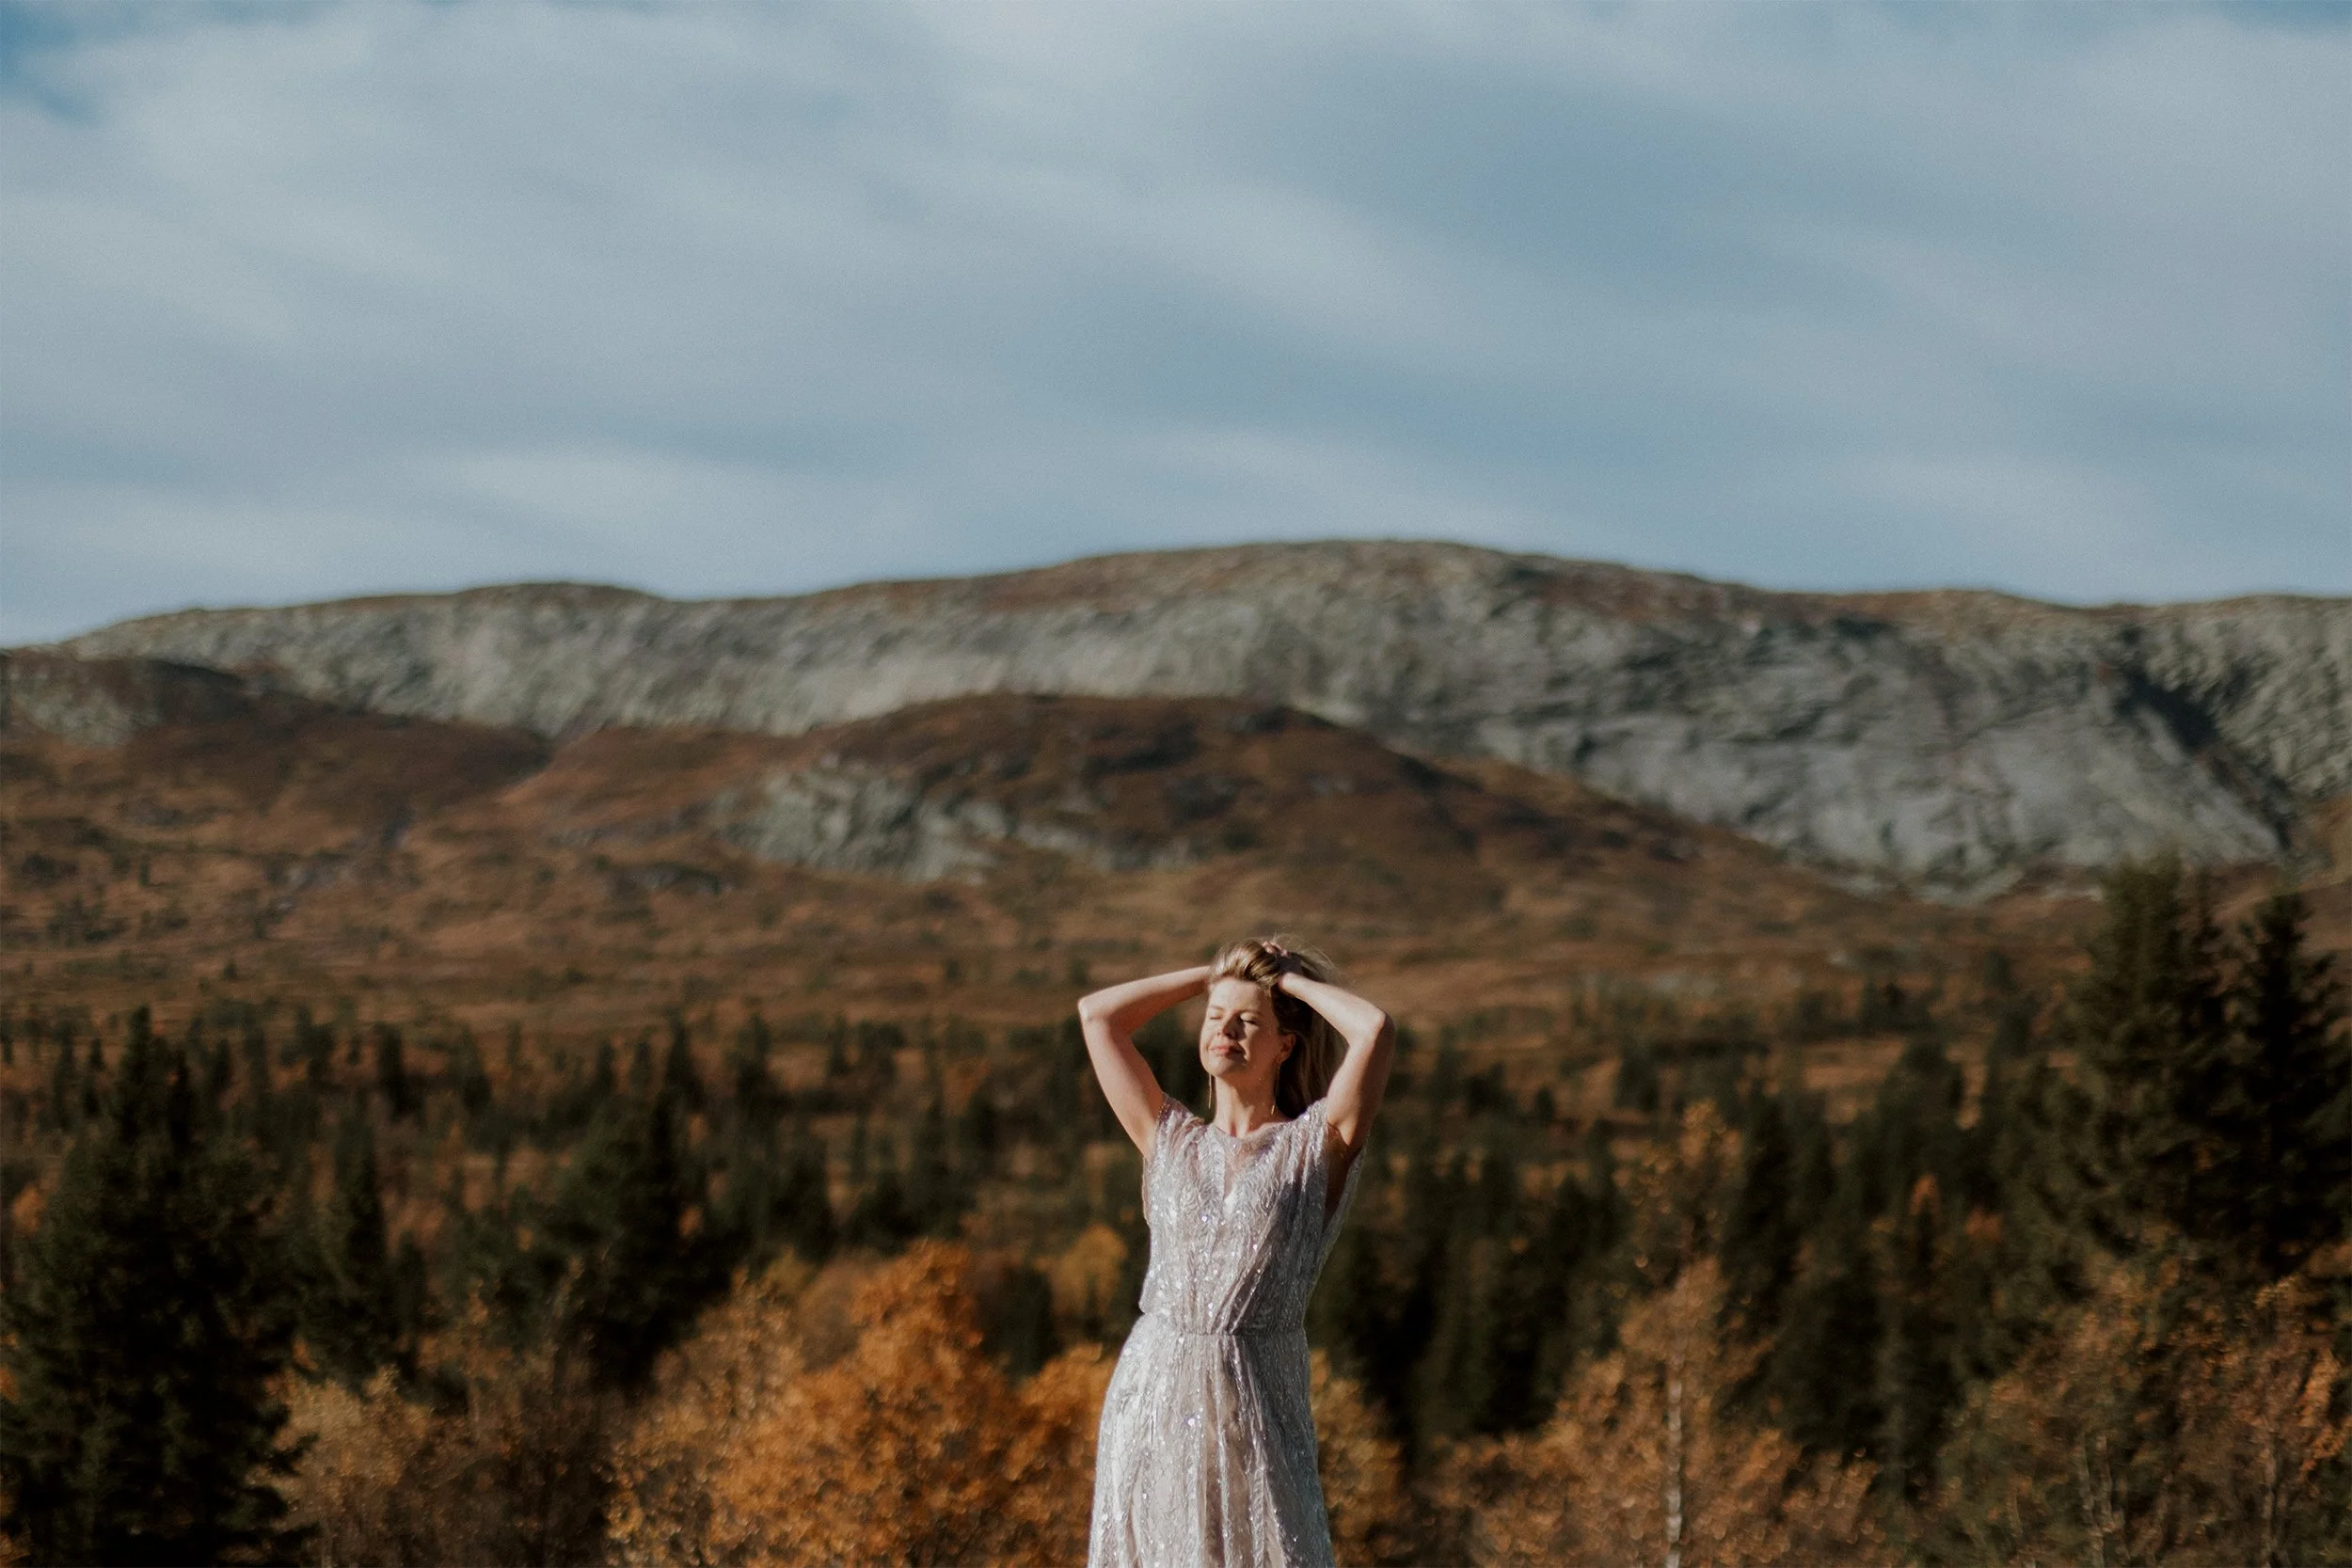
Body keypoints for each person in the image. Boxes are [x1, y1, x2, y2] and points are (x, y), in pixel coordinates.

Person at [1077, 935, 1396, 1568]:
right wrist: (1214, 977)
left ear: (1286, 1043)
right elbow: (1098, 1015)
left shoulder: (1316, 1145)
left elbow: (1376, 1029)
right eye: (1215, 1019)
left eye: (1248, 1022)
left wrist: (1287, 983)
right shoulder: (1167, 1136)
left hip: (1256, 1403)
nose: (1225, 1030)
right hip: (1153, 1398)